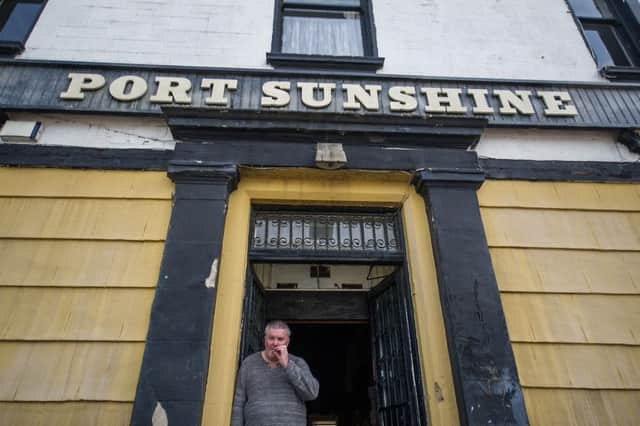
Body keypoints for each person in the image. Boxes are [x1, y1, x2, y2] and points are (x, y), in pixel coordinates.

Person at [231, 320, 320, 426]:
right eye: (271, 338)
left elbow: (312, 393)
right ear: (265, 340)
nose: (275, 343)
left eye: (280, 339)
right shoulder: (249, 363)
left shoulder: (298, 363)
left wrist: (287, 365)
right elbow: (239, 403)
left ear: (287, 342)